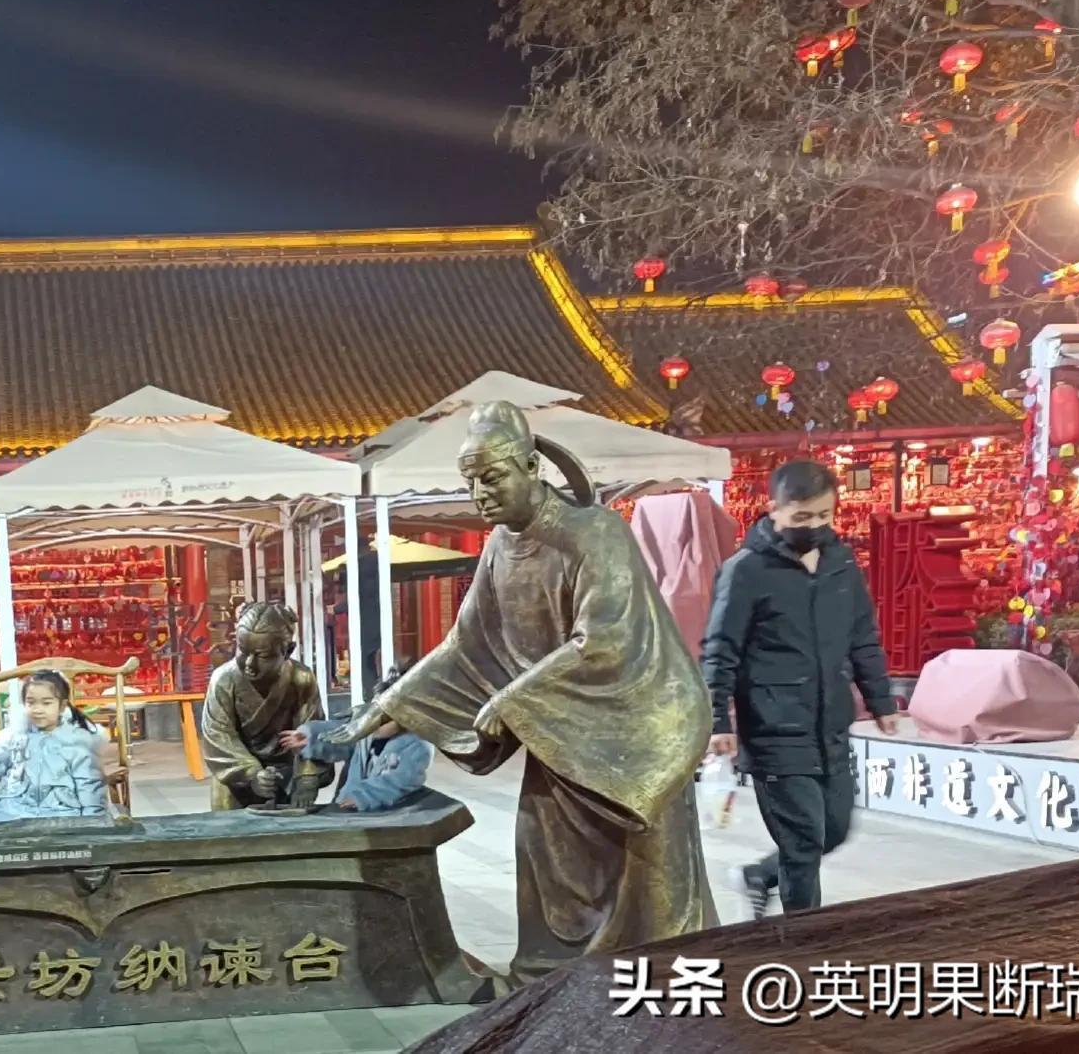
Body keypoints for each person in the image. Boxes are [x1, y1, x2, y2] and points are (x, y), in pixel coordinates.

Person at [331, 401, 714, 986]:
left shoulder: (596, 534)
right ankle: (551, 979)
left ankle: (652, 989)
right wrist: (392, 706)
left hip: (635, 736)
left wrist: (510, 701)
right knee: (542, 845)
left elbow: (604, 641)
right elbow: (468, 643)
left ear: (532, 466)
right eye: (470, 482)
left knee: (645, 886)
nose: (480, 494)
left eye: (492, 477)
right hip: (556, 730)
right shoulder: (499, 547)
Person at [703, 459, 907, 919]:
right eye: (801, 517)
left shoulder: (841, 564)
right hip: (773, 727)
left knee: (833, 830)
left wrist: (880, 700)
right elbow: (720, 649)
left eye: (822, 516)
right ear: (774, 509)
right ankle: (803, 941)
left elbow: (862, 636)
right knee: (802, 842)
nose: (813, 526)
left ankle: (760, 876)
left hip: (830, 724)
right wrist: (718, 721)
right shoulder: (746, 571)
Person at [198, 602, 329, 810]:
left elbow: (310, 732)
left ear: (288, 651)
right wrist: (252, 773)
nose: (250, 663)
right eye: (243, 650)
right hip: (237, 774)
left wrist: (307, 776)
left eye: (263, 656)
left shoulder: (301, 679)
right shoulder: (224, 679)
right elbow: (218, 735)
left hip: (286, 774)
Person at [0, 670, 111, 822]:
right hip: (13, 811)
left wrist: (93, 821)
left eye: (46, 703)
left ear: (62, 706)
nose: (37, 709)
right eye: (31, 702)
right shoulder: (15, 735)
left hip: (62, 813)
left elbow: (89, 786)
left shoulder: (76, 742)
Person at [279, 667, 433, 812]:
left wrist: (363, 796)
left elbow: (401, 780)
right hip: (350, 807)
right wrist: (310, 738)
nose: (375, 723)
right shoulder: (366, 734)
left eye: (386, 719)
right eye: (373, 714)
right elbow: (342, 734)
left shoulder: (417, 746)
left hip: (387, 813)